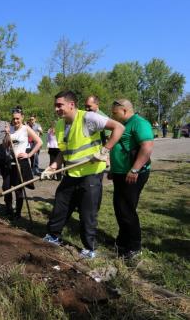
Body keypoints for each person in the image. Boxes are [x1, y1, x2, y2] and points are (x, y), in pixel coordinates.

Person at [41, 90, 124, 259]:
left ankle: (89, 248)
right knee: (60, 206)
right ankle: (53, 236)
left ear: (71, 104)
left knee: (88, 213)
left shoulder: (88, 118)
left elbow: (119, 127)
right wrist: (52, 167)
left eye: (60, 105)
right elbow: (63, 152)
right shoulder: (59, 125)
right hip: (71, 174)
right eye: (55, 106)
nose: (56, 109)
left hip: (91, 175)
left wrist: (105, 150)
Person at [110, 99, 154, 259]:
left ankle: (134, 247)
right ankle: (122, 241)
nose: (112, 115)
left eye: (114, 112)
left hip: (133, 174)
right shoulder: (123, 124)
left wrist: (135, 169)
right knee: (120, 207)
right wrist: (114, 170)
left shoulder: (139, 123)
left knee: (127, 209)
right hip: (120, 173)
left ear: (124, 110)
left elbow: (147, 147)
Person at [3, 108, 42, 218]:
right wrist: (7, 134)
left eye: (17, 118)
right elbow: (5, 145)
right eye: (14, 118)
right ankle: (9, 209)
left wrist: (29, 155)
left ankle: (18, 213)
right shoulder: (9, 129)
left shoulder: (26, 128)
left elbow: (39, 142)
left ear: (22, 118)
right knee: (6, 187)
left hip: (21, 163)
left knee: (18, 189)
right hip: (9, 162)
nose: (15, 120)